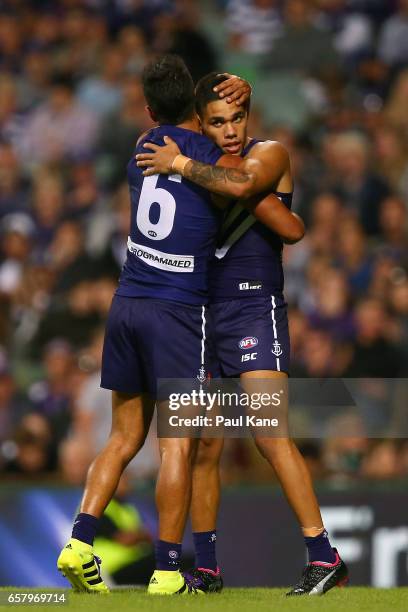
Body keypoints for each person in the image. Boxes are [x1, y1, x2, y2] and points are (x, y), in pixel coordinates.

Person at [57, 55, 294, 596]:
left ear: (147, 109)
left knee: (121, 437)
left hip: (126, 305)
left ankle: (79, 539)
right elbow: (240, 184)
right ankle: (167, 570)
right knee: (177, 446)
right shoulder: (211, 155)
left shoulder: (142, 149)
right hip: (178, 313)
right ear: (198, 108)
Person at [136, 72, 348, 596]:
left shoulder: (269, 152)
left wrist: (184, 164)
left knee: (269, 435)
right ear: (200, 124)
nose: (231, 130)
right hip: (202, 313)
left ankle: (323, 554)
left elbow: (246, 184)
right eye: (217, 122)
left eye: (236, 119)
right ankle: (206, 568)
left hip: (255, 308)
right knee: (205, 444)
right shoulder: (200, 167)